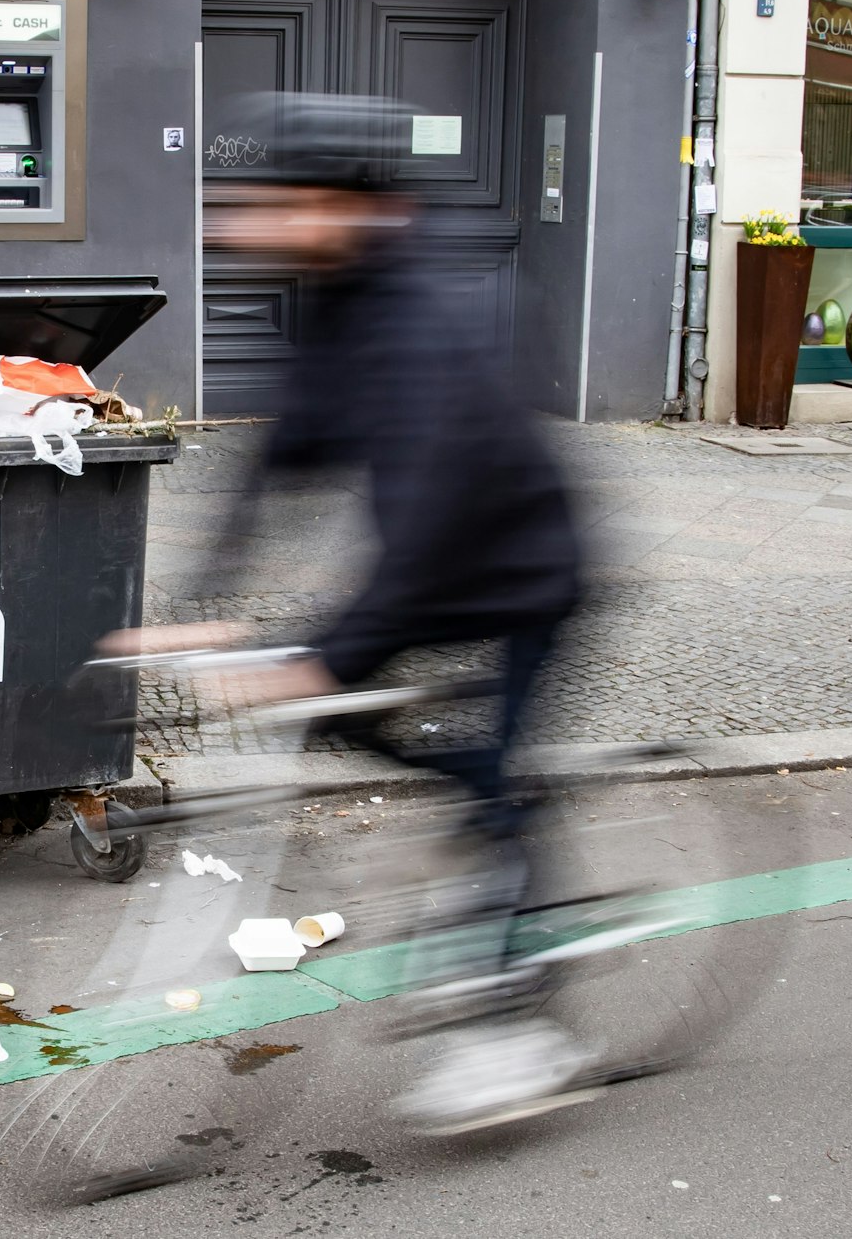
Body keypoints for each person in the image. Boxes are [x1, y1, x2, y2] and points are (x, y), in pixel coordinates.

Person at [106, 94, 589, 1130]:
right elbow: (281, 451)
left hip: (519, 573)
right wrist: (200, 605)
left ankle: (514, 1028)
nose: (241, 225)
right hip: (431, 571)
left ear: (333, 204)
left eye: (268, 204)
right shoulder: (334, 295)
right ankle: (492, 794)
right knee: (342, 721)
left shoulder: (422, 320)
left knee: (481, 772)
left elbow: (422, 519)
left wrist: (328, 651)